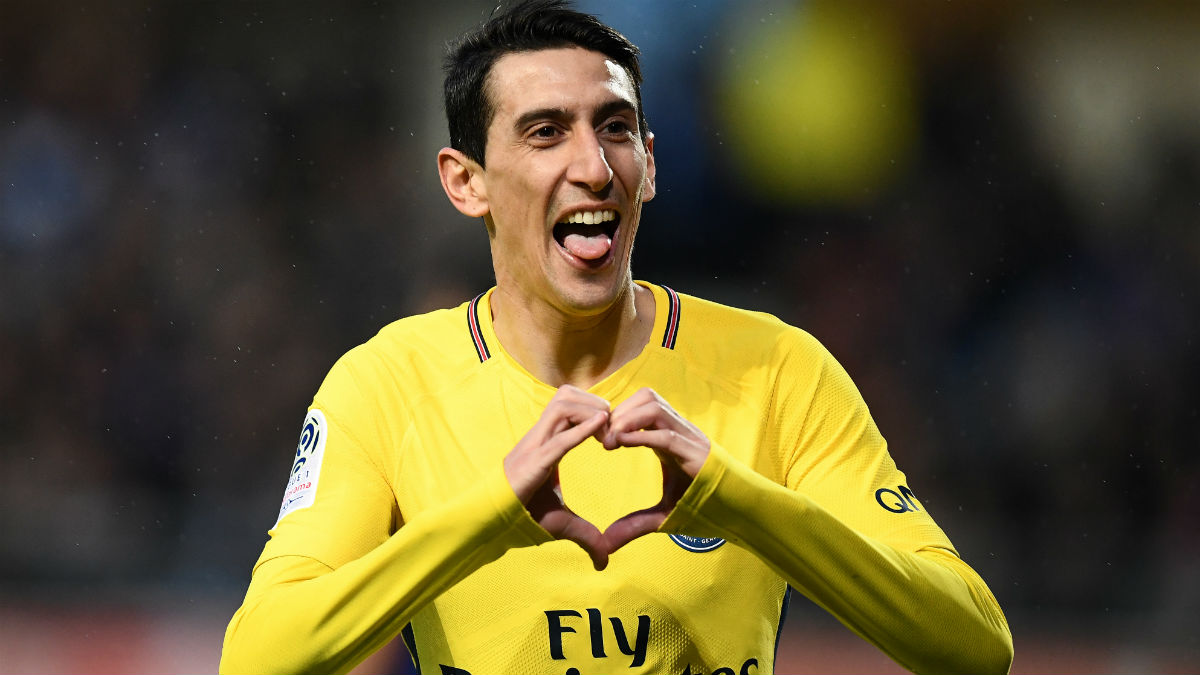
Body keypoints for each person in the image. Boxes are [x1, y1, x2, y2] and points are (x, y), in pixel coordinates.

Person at [219, 1, 1014, 673]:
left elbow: (975, 642)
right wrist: (489, 518)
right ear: (467, 182)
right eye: (544, 132)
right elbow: (258, 655)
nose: (594, 166)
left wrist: (734, 500)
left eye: (616, 128)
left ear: (652, 165)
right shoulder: (387, 382)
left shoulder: (777, 369)